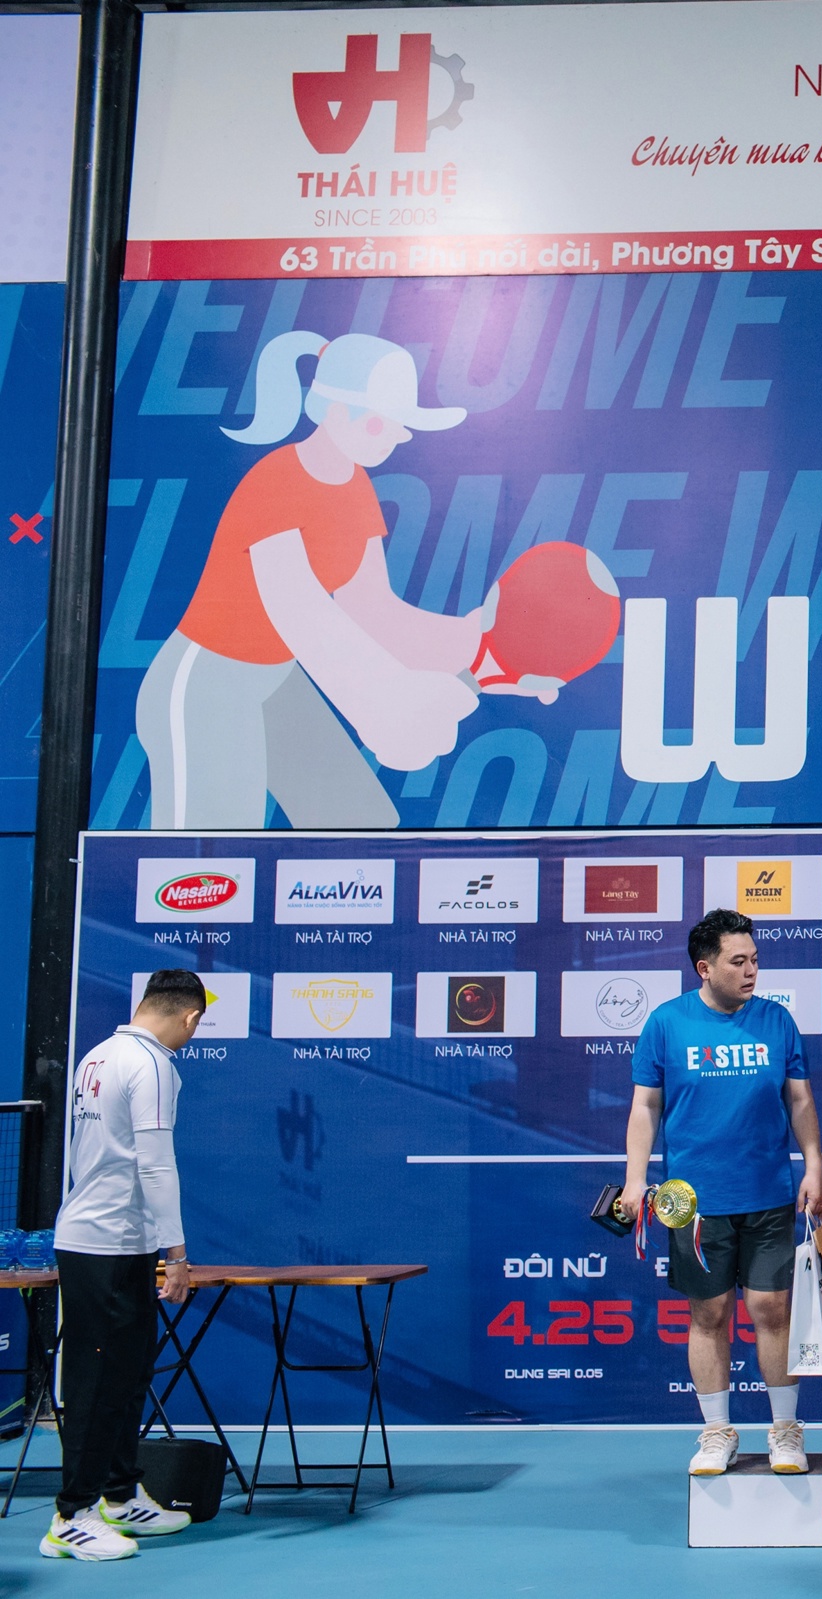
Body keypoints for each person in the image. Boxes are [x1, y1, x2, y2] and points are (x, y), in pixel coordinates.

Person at [135, 332, 530, 829]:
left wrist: (483, 645)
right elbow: (302, 615)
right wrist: (386, 708)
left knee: (359, 822)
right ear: (334, 411)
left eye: (399, 428)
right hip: (203, 687)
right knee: (214, 852)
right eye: (378, 423)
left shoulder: (355, 485)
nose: (391, 439)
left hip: (275, 678)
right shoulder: (276, 481)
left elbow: (375, 612)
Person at [623, 909, 822, 1477]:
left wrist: (813, 1165)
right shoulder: (666, 1023)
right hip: (693, 1203)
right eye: (738, 962)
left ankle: (785, 1429)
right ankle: (717, 1432)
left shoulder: (776, 1021)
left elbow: (800, 1100)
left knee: (771, 1309)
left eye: (755, 959)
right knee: (709, 1313)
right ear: (705, 967)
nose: (751, 971)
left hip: (768, 1193)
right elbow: (645, 1107)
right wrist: (636, 1177)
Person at [46, 970, 206, 1560]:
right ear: (190, 1018)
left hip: (109, 1241)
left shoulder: (98, 1055)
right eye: (197, 1027)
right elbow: (155, 1164)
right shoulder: (154, 1063)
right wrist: (177, 1254)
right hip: (106, 1245)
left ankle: (118, 1495)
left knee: (128, 1374)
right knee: (96, 1383)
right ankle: (72, 1517)